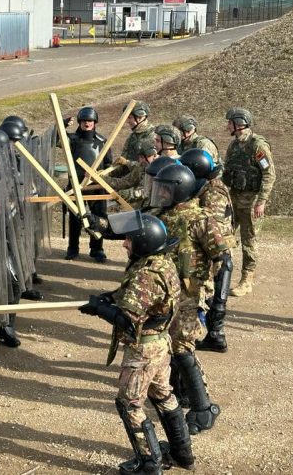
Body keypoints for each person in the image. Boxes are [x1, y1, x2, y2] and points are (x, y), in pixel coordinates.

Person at [79, 211, 194, 474]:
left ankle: (149, 463)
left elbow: (128, 320)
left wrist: (99, 309)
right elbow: (138, 300)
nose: (124, 243)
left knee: (129, 403)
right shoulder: (162, 263)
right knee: (164, 395)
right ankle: (182, 453)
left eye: (129, 240)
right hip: (160, 346)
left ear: (142, 244)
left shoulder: (146, 275)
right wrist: (109, 297)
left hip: (143, 351)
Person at [150, 164, 231, 434]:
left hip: (189, 295)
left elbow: (225, 260)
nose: (158, 193)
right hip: (165, 294)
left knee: (183, 348)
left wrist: (218, 304)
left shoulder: (201, 220)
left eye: (164, 189)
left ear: (178, 189)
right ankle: (180, 394)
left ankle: (203, 408)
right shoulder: (162, 216)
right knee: (169, 346)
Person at [180, 149, 236, 353]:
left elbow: (213, 226)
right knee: (210, 292)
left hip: (218, 251)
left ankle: (216, 335)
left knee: (212, 292)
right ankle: (215, 334)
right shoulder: (206, 187)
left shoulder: (213, 192)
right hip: (214, 248)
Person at [221, 108, 275, 297]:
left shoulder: (257, 146)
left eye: (230, 122)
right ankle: (221, 273)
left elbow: (269, 174)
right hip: (233, 199)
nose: (227, 126)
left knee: (249, 241)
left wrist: (261, 201)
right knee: (223, 236)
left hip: (251, 203)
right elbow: (227, 171)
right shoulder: (233, 146)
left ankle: (247, 280)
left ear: (239, 123)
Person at [64, 106, 111, 262]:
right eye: (84, 120)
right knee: (75, 218)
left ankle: (97, 249)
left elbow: (109, 164)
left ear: (95, 122)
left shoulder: (103, 141)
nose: (87, 123)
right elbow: (54, 140)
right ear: (79, 122)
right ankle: (73, 248)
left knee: (99, 217)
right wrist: (62, 125)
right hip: (77, 185)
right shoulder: (71, 140)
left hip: (97, 187)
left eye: (90, 120)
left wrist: (100, 177)